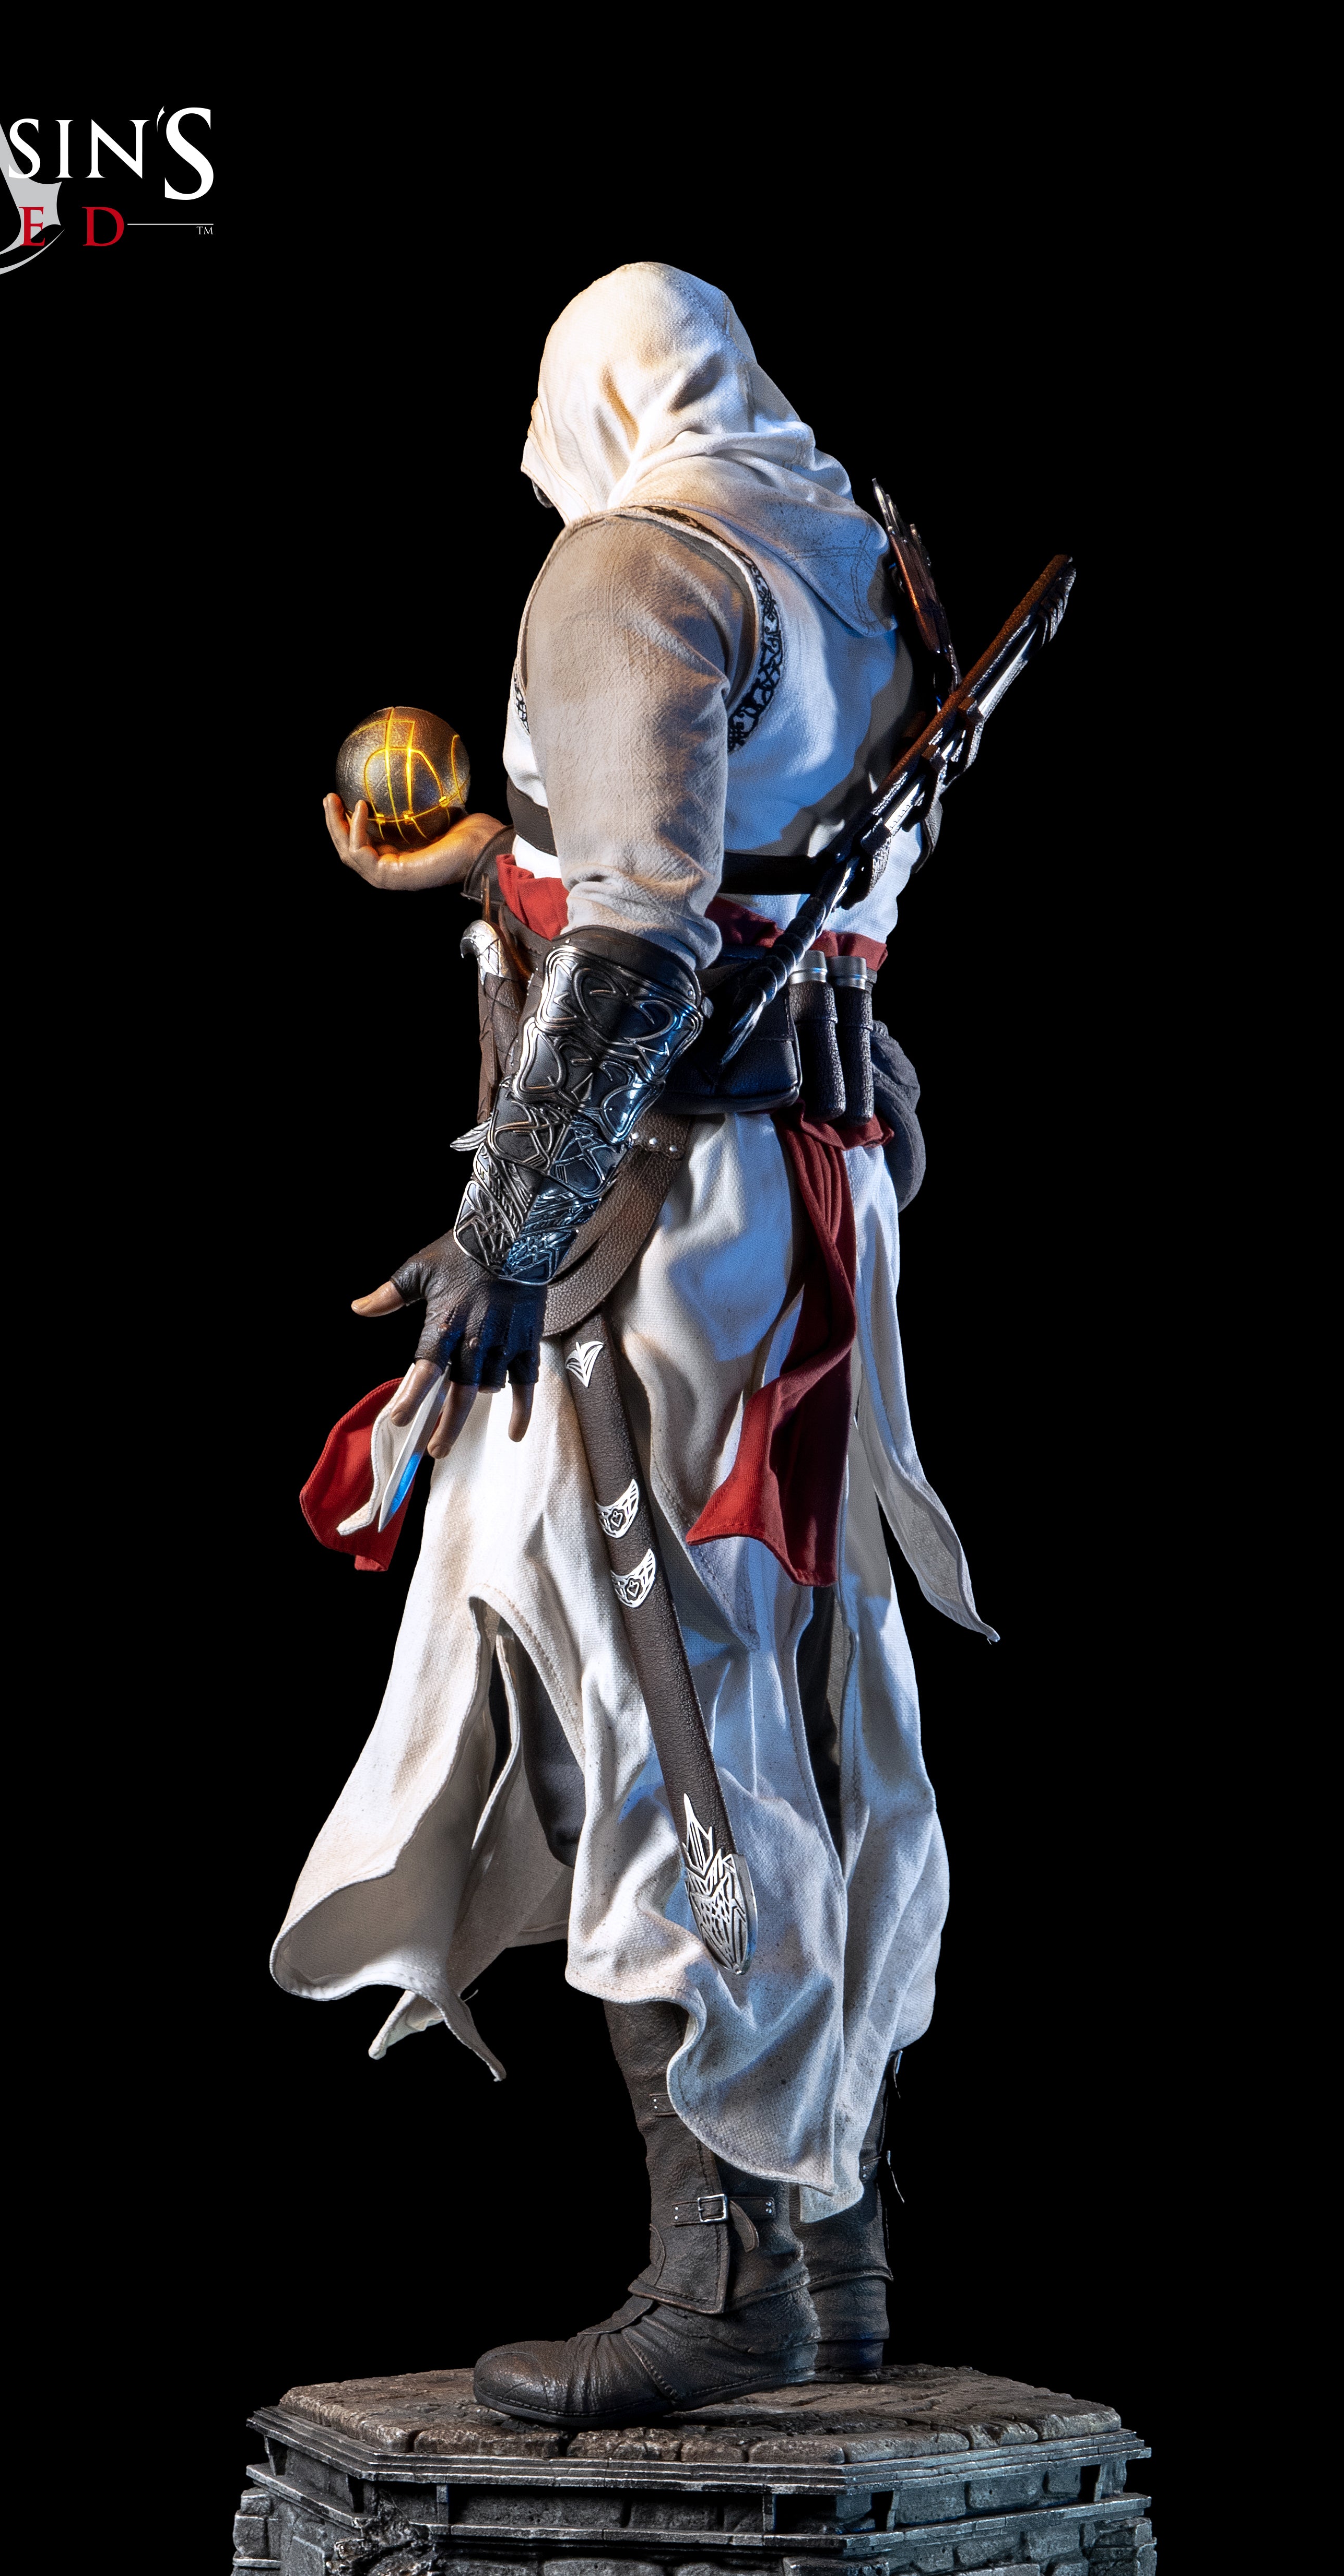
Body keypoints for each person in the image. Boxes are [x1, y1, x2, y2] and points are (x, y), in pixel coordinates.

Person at [277, 262, 991, 2427]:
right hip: (806, 1197)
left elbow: (649, 951)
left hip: (657, 1230)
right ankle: (829, 2255)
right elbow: (750, 876)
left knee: (642, 1697)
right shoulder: (855, 549)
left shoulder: (624, 568)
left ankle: (726, 2280)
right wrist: (490, 862)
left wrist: (510, 1230)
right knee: (784, 1692)